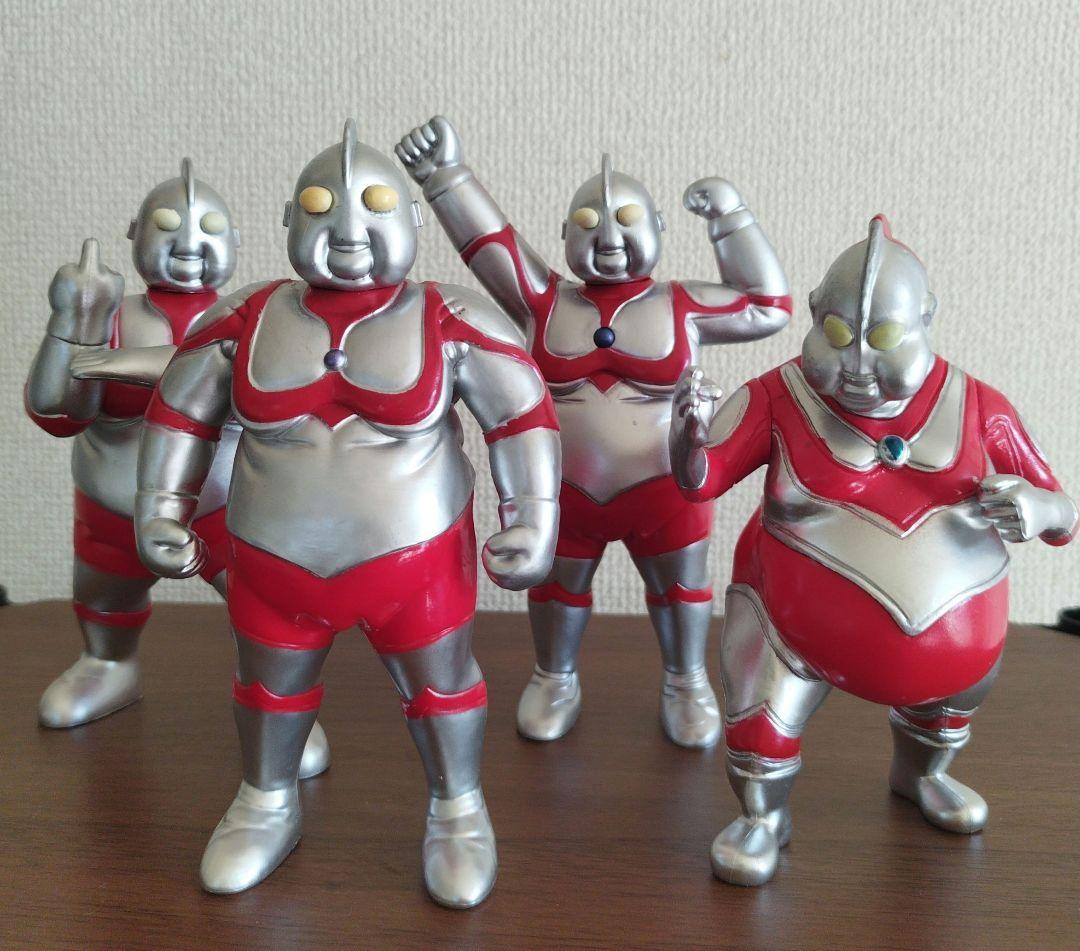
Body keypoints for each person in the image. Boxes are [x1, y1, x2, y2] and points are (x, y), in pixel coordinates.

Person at [134, 121, 561, 908]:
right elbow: (178, 412)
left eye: (376, 207)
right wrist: (160, 507)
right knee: (267, 689)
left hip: (418, 564)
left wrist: (533, 516)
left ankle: (457, 806)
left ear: (414, 220)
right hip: (272, 563)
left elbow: (522, 415)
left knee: (441, 689)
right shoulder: (244, 317)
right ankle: (266, 798)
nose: (349, 231)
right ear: (286, 221)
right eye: (320, 208)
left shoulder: (452, 316)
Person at [669, 216, 1077, 885]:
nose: (857, 362)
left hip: (958, 643)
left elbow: (1064, 514)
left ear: (925, 320)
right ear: (812, 315)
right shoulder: (776, 395)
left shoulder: (980, 406)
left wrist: (1036, 508)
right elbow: (701, 480)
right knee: (762, 721)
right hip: (788, 631)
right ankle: (763, 815)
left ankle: (923, 775)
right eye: (836, 333)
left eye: (882, 337)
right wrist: (685, 438)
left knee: (947, 711)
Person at [398, 116, 790, 747]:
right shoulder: (545, 302)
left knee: (681, 591)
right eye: (588, 223)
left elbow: (768, 306)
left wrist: (731, 220)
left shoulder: (683, 306)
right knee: (558, 588)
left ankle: (685, 679)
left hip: (666, 489)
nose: (609, 237)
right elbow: (490, 244)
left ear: (658, 228)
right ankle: (554, 676)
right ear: (563, 236)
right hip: (566, 493)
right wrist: (445, 176)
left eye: (627, 220)